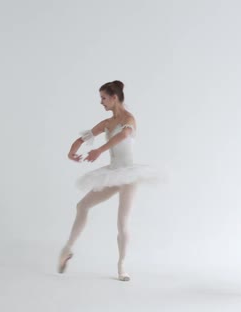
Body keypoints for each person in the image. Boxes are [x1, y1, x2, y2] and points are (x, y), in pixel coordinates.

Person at [57, 80, 162, 281]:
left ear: (114, 98)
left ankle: (122, 265)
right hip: (112, 173)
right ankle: (67, 249)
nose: (101, 102)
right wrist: (72, 151)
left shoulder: (128, 119)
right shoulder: (106, 123)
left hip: (128, 175)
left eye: (104, 98)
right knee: (82, 206)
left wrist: (99, 150)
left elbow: (123, 136)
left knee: (122, 222)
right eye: (101, 98)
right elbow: (82, 138)